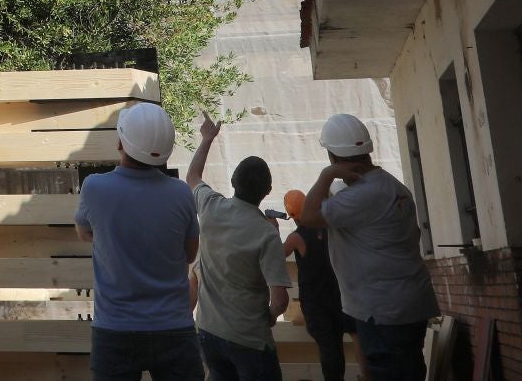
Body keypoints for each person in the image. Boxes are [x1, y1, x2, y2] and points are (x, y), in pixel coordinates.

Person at [297, 113, 437, 381]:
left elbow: (308, 215)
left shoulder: (360, 196)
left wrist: (326, 176)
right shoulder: (392, 186)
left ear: (334, 158)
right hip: (407, 305)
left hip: (382, 311)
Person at [76, 101, 204, 381]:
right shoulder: (181, 193)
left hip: (115, 332)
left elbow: (84, 232)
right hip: (174, 330)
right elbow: (190, 252)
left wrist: (115, 240)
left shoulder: (95, 188)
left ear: (121, 142)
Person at [183, 115, 290, 381]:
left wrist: (208, 139)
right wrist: (268, 317)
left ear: (233, 181)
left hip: (208, 332)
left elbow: (193, 176)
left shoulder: (210, 207)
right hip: (250, 340)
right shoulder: (267, 234)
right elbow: (280, 301)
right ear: (268, 190)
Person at [282, 188, 357, 381]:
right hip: (336, 296)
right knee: (336, 344)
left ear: (291, 215)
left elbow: (277, 255)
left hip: (315, 302)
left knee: (327, 347)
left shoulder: (296, 237)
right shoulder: (326, 228)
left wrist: (272, 229)